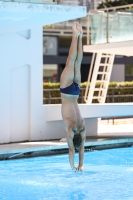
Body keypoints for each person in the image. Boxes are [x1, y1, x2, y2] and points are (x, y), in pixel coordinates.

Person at [60, 21, 86, 172]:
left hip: (76, 92)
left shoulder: (82, 128)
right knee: (71, 60)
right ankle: (75, 34)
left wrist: (81, 165)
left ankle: (80, 37)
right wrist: (73, 167)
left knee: (78, 62)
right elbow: (72, 151)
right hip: (67, 91)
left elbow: (80, 150)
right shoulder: (70, 128)